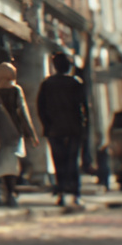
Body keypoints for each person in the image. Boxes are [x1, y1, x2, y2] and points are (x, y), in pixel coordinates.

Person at [36, 52, 89, 206]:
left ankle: (61, 192)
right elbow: (84, 107)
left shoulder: (47, 84)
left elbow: (40, 108)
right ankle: (75, 193)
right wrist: (84, 126)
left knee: (59, 161)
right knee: (73, 161)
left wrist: (47, 125)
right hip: (73, 128)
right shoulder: (75, 82)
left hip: (54, 129)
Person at [0, 62, 38, 207]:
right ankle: (10, 192)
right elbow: (23, 113)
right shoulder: (16, 90)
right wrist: (31, 133)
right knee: (12, 164)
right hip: (14, 132)